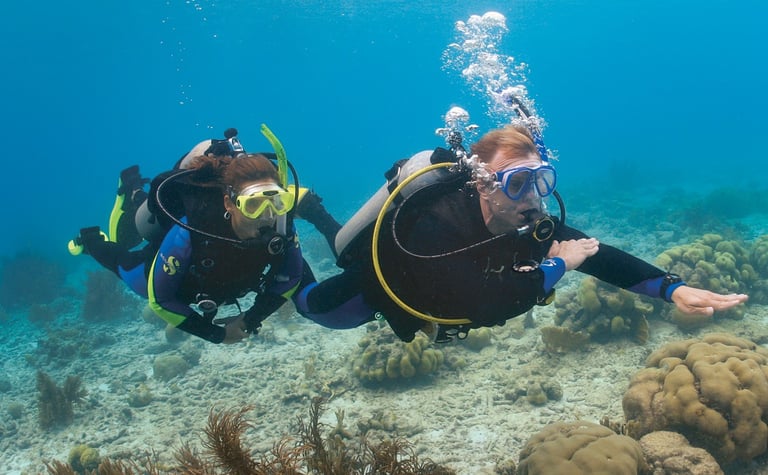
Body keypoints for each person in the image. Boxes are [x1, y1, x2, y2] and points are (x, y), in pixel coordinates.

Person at [294, 123, 749, 342]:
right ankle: (300, 233)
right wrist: (559, 264)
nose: (532, 196)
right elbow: (487, 304)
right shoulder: (438, 224)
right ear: (482, 184)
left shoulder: (529, 221)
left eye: (541, 181)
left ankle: (308, 222)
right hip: (384, 291)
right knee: (313, 307)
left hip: (452, 307)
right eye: (516, 182)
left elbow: (596, 253)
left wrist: (672, 289)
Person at [70, 128, 344, 344]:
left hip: (226, 283)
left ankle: (135, 196)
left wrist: (251, 319)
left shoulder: (280, 223)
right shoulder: (193, 229)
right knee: (128, 268)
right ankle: (98, 232)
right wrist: (217, 335)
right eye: (253, 205)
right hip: (183, 280)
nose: (266, 216)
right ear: (229, 203)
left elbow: (292, 277)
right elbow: (161, 299)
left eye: (277, 202)